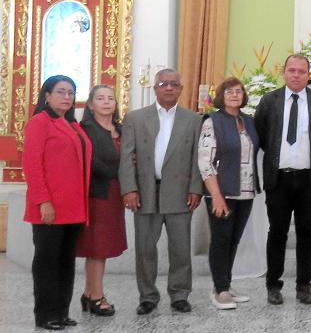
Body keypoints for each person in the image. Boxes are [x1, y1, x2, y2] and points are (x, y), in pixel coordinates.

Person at [119, 69, 202, 315]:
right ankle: (147, 296)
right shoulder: (135, 118)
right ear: (155, 88)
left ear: (181, 89)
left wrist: (195, 189)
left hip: (180, 192)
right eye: (164, 84)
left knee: (180, 248)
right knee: (145, 248)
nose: (169, 88)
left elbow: (199, 157)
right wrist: (129, 189)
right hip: (145, 192)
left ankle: (179, 294)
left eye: (174, 84)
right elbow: (126, 156)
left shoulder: (194, 120)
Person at [254, 54, 311, 305]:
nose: (296, 75)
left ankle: (304, 285)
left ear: (309, 75)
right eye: (292, 70)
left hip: (309, 180)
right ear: (284, 72)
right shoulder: (269, 101)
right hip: (279, 179)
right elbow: (262, 137)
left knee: (306, 232)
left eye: (301, 71)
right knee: (277, 232)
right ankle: (273, 285)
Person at [23, 75, 92, 330]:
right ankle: (45, 315)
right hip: (49, 206)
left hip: (74, 207)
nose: (67, 97)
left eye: (71, 93)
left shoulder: (74, 125)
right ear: (47, 96)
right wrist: (43, 200)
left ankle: (62, 311)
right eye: (61, 92)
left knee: (66, 261)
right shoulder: (39, 123)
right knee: (47, 262)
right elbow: (32, 165)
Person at [198, 77, 260, 310]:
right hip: (222, 191)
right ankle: (219, 290)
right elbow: (205, 161)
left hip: (245, 192)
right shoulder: (212, 121)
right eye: (229, 91)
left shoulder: (248, 121)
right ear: (221, 96)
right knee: (221, 240)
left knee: (234, 240)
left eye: (238, 91)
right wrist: (216, 195)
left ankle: (225, 284)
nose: (235, 95)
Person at [77, 85, 126, 317]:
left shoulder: (121, 129)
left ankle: (89, 293)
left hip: (116, 194)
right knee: (97, 248)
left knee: (102, 249)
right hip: (97, 194)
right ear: (90, 104)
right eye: (100, 98)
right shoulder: (85, 129)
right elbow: (92, 162)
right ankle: (97, 296)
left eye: (110, 98)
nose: (106, 102)